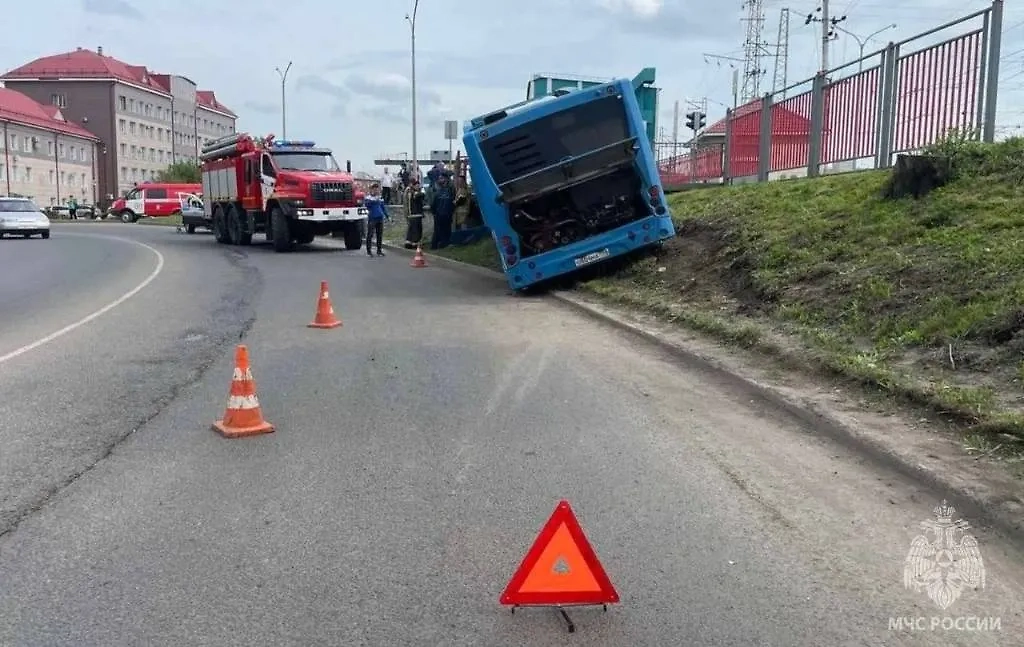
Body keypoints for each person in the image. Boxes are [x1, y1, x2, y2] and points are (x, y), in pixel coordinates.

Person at [430, 172, 456, 250]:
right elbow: (433, 204)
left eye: (441, 178)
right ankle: (438, 245)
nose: (439, 180)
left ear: (446, 179)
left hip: (444, 214)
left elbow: (453, 202)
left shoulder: (446, 191)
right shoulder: (440, 191)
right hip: (442, 214)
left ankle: (440, 245)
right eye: (439, 178)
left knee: (443, 230)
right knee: (441, 230)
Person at [363, 183, 388, 257]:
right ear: (372, 189)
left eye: (377, 189)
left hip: (380, 218)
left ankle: (379, 251)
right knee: (370, 235)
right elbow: (367, 205)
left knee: (379, 235)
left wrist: (387, 216)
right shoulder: (368, 198)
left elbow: (383, 208)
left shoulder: (380, 198)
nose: (376, 190)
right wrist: (374, 200)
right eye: (374, 189)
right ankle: (369, 251)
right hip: (372, 218)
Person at [403, 178, 425, 249]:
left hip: (413, 214)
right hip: (415, 214)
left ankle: (409, 242)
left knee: (411, 229)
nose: (418, 187)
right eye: (417, 185)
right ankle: (414, 244)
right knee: (416, 230)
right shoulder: (413, 192)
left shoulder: (408, 192)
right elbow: (420, 196)